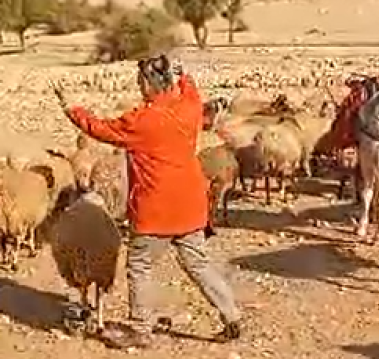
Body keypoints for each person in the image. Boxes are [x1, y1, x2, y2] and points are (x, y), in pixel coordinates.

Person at [50, 54, 242, 349]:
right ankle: (231, 315)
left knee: (139, 265)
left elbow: (100, 129)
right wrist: (184, 75)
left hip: (156, 210)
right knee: (198, 263)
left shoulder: (141, 121)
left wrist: (70, 108)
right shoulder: (189, 107)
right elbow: (191, 90)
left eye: (140, 80)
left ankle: (141, 329)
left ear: (150, 83)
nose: (139, 86)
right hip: (191, 205)